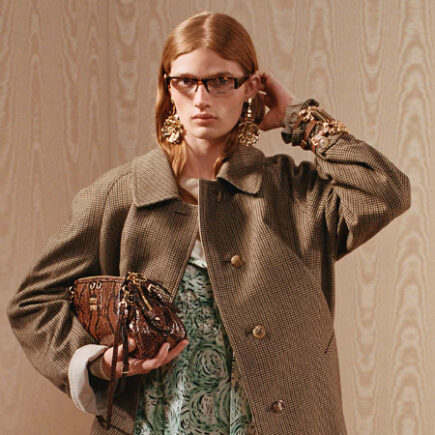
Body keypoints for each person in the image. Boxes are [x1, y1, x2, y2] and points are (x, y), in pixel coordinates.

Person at [7, 11, 410, 435]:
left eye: (221, 81)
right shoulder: (123, 194)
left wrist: (301, 119)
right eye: (186, 81)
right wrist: (100, 363)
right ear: (168, 86)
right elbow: (32, 302)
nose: (201, 98)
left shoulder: (293, 194)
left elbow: (386, 190)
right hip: (155, 424)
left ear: (250, 87)